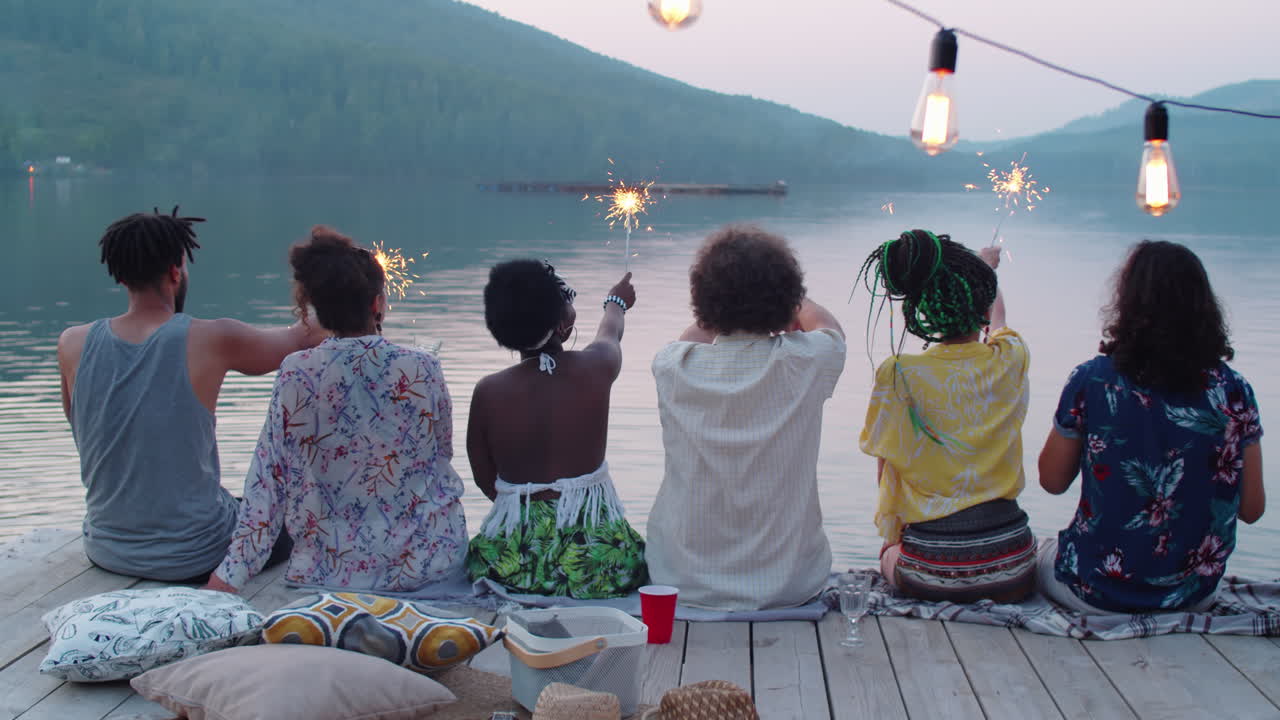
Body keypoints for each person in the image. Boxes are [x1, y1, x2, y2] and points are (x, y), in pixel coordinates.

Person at [57, 208, 325, 583]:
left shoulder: (72, 344)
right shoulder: (211, 338)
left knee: (229, 501)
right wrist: (334, 287)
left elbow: (82, 426)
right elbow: (303, 337)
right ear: (175, 271)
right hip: (196, 553)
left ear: (119, 276)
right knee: (290, 515)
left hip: (107, 547)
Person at [204, 227, 467, 593]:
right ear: (376, 304)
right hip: (426, 562)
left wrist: (223, 582)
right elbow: (440, 454)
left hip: (329, 572)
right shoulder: (422, 368)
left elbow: (267, 487)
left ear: (314, 309)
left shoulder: (297, 372)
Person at [1037, 240, 1265, 613]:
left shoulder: (1092, 381)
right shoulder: (1234, 390)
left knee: (1039, 552)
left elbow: (1051, 481)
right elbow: (1252, 508)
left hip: (1095, 593)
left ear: (1127, 304)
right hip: (1192, 596)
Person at [646, 225, 846, 611]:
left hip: (681, 583)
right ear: (788, 298)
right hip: (788, 586)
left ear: (702, 300)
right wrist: (792, 302)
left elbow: (692, 336)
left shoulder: (673, 367)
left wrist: (720, 306)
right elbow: (829, 328)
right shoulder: (807, 361)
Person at [859, 230, 1035, 604]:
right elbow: (999, 320)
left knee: (890, 557)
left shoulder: (899, 372)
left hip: (929, 570)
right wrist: (986, 269)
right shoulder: (1010, 357)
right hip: (1014, 567)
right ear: (983, 309)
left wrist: (891, 540)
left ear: (922, 308)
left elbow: (886, 462)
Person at [465, 260, 647, 599]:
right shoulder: (597, 366)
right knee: (626, 557)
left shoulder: (488, 390)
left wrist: (531, 507)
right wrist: (616, 301)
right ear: (564, 325)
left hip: (512, 560)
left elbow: (484, 477)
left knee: (486, 558)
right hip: (595, 560)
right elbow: (610, 331)